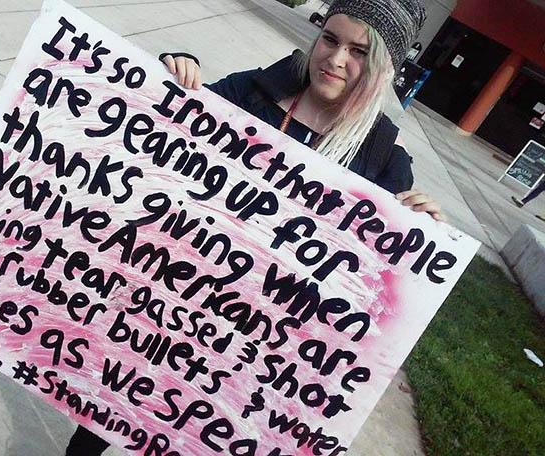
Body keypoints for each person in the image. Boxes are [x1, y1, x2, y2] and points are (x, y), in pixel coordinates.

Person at [65, 0, 442, 454]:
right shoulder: (253, 92)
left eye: (359, 52)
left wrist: (422, 223)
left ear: (384, 68)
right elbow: (170, 125)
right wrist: (174, 70)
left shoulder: (383, 159)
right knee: (108, 409)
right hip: (177, 299)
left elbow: (385, 276)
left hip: (260, 339)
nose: (336, 59)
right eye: (331, 39)